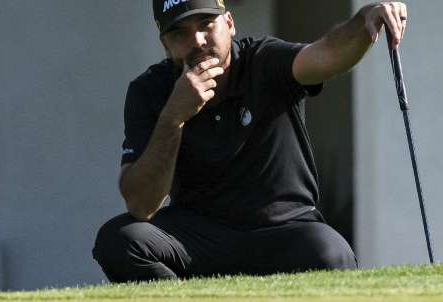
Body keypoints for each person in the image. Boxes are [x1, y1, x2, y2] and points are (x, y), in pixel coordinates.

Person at [93, 0, 410, 283]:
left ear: (229, 24)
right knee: (118, 240)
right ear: (165, 44)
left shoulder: (263, 60)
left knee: (329, 251)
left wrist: (365, 20)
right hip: (199, 239)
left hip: (282, 230)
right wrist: (173, 117)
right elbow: (141, 204)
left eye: (206, 25)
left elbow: (327, 54)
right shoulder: (149, 91)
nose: (198, 42)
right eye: (180, 33)